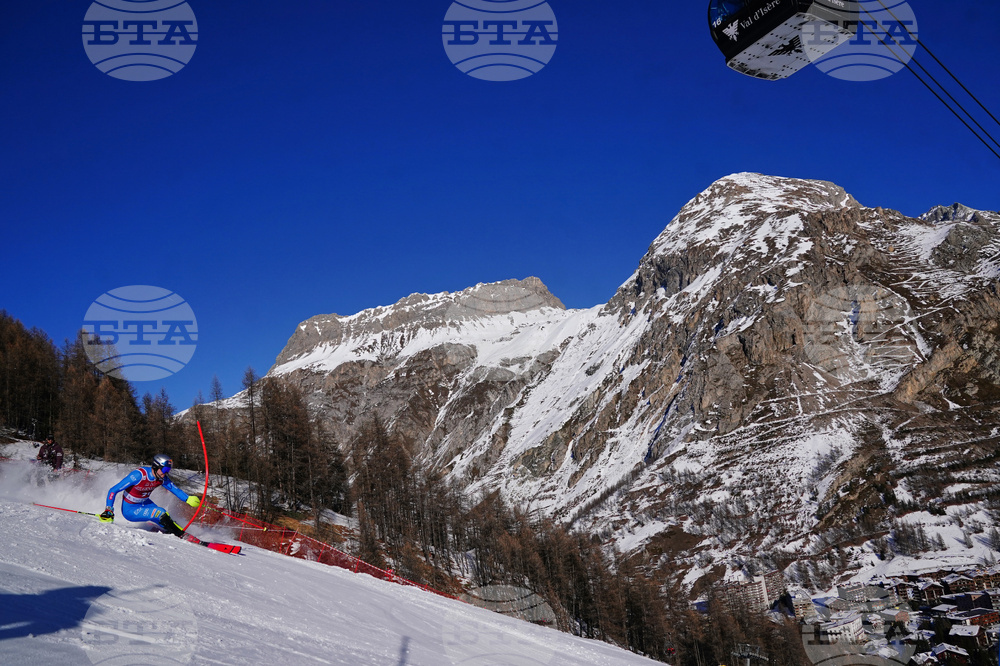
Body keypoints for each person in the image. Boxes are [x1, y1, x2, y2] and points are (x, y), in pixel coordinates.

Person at [100, 454, 201, 539]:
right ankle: (181, 535)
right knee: (160, 512)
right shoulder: (139, 475)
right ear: (156, 467)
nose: (166, 473)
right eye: (165, 469)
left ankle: (174, 531)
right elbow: (113, 490)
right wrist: (109, 510)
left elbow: (175, 489)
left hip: (145, 503)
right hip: (130, 509)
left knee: (166, 518)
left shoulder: (161, 478)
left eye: (168, 470)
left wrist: (188, 499)